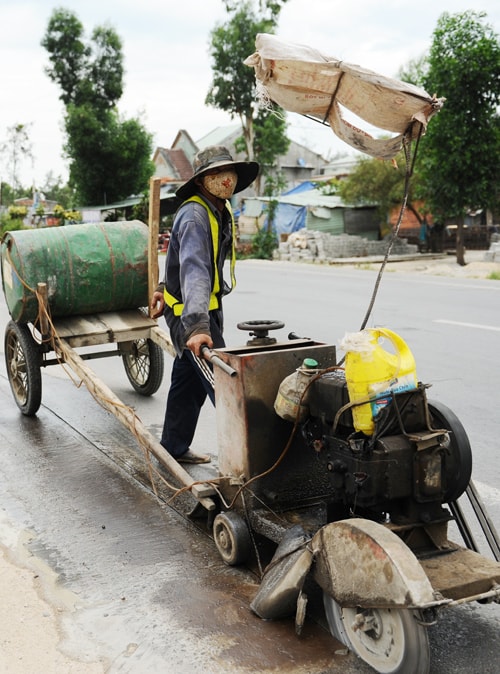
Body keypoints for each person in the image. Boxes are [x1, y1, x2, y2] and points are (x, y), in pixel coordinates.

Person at [150, 146, 259, 464]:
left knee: (189, 383)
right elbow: (195, 269)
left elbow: (179, 260)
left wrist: (161, 286)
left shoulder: (215, 209)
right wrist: (197, 328)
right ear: (201, 181)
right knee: (223, 387)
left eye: (229, 172)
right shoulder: (197, 215)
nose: (225, 179)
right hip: (191, 316)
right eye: (216, 174)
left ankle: (172, 446)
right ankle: (249, 466)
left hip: (199, 311)